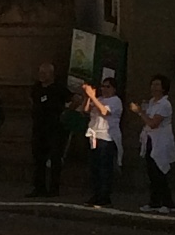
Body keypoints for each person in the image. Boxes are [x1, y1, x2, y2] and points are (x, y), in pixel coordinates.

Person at [78, 72, 123, 208]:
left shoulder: (115, 101)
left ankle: (104, 196)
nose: (104, 89)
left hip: (107, 137)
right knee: (94, 168)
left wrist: (93, 97)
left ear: (114, 89)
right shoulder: (100, 99)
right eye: (103, 86)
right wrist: (87, 96)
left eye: (107, 86)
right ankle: (96, 194)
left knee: (104, 168)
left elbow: (104, 112)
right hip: (95, 136)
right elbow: (85, 110)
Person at [28, 62, 71, 197]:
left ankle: (54, 189)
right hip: (39, 127)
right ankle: (39, 187)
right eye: (40, 72)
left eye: (44, 73)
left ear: (51, 74)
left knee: (54, 158)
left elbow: (74, 99)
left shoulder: (58, 88)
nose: (41, 75)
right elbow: (31, 99)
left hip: (54, 127)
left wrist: (66, 112)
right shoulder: (36, 88)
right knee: (38, 158)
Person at [139, 75, 175, 214]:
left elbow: (153, 123)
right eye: (152, 84)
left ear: (163, 88)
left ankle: (168, 203)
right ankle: (154, 201)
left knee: (160, 172)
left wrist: (140, 112)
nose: (154, 88)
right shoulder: (151, 102)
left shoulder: (165, 104)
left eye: (157, 85)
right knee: (152, 172)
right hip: (150, 140)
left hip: (161, 140)